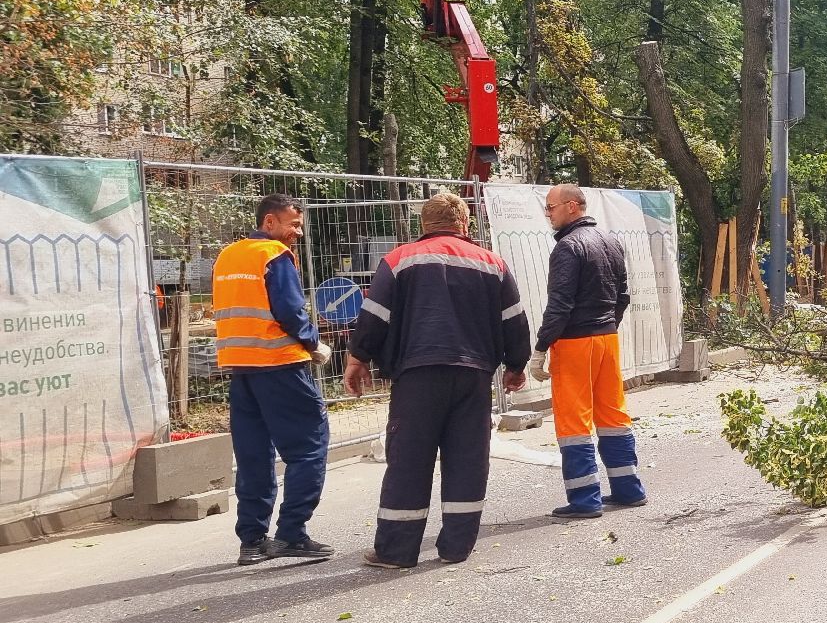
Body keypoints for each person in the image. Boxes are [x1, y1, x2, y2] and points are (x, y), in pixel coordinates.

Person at [345, 194, 532, 568]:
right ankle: (456, 546)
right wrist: (516, 364)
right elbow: (513, 318)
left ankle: (396, 551)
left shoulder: (398, 260)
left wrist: (358, 357)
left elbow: (375, 314)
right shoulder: (492, 263)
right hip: (473, 375)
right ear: (464, 225)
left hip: (417, 374)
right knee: (467, 458)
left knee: (409, 460)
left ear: (423, 225)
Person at [212, 194, 334, 565]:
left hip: (241, 367)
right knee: (309, 447)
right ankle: (291, 534)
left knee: (254, 456)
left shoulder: (228, 255)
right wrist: (314, 342)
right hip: (280, 364)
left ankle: (252, 540)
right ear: (269, 223)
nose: (298, 233)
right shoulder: (274, 256)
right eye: (293, 225)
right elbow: (289, 310)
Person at [530, 185, 648, 518]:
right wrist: (606, 326)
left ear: (571, 206)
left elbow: (560, 305)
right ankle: (628, 490)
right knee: (613, 415)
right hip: (607, 340)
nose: (548, 213)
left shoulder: (568, 247)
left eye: (550, 207)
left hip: (574, 343)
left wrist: (540, 349)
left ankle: (584, 500)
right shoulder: (611, 241)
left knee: (573, 421)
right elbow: (622, 295)